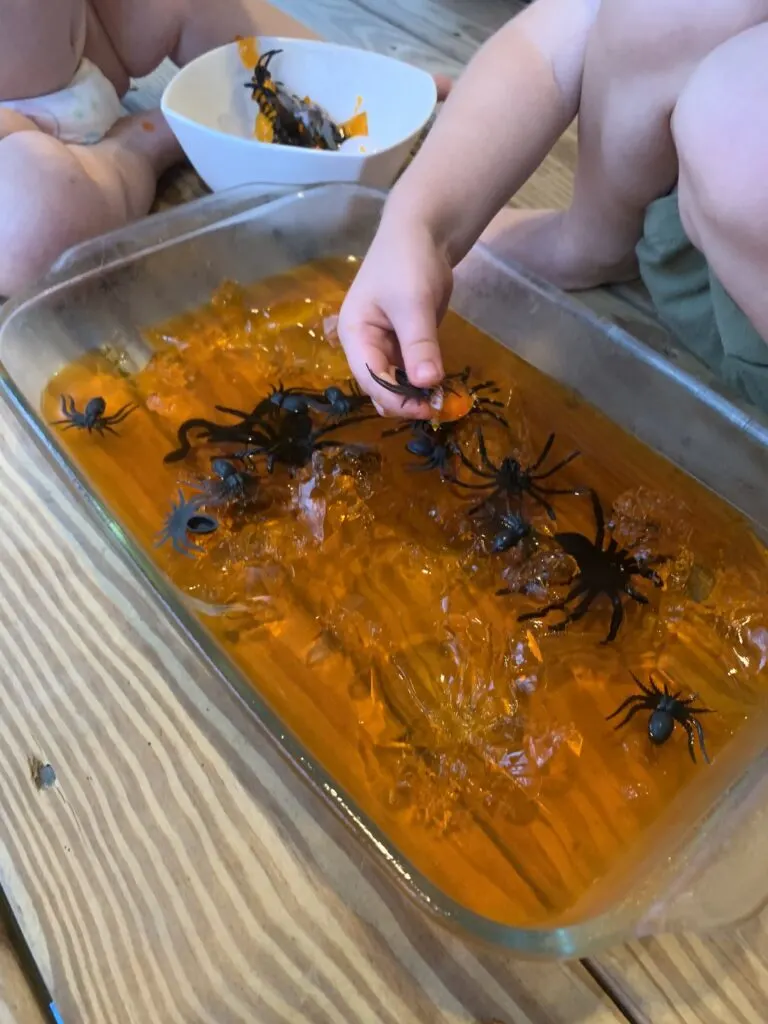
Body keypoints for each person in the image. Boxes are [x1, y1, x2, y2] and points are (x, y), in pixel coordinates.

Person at [339, 0, 768, 416]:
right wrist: (420, 224)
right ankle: (590, 245)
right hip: (690, 236)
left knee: (733, 125)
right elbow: (564, 28)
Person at [0, 0, 451, 296]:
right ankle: (141, 145)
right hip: (21, 151)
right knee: (35, 225)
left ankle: (355, 81)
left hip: (82, 43)